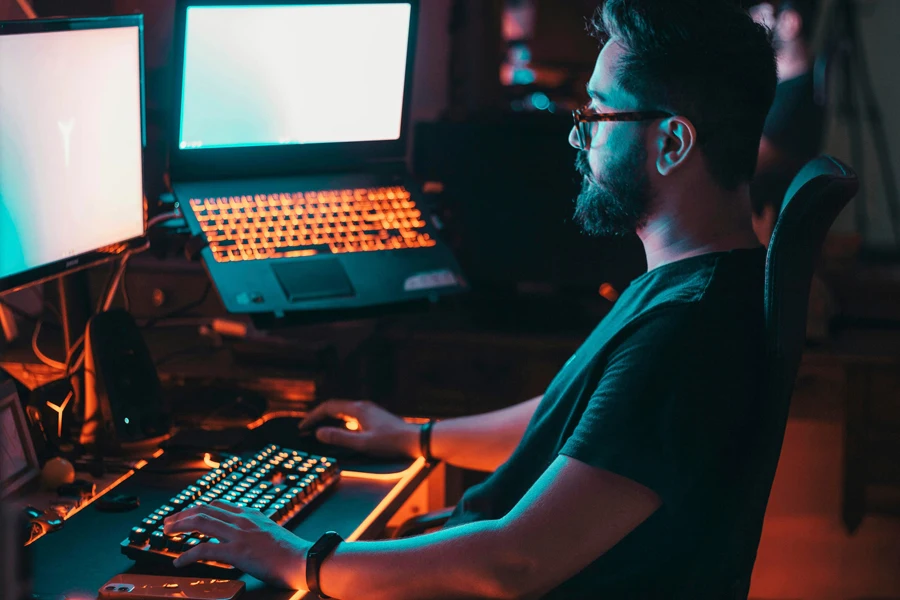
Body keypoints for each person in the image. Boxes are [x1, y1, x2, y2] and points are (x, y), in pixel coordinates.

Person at [164, 1, 778, 597]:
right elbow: (579, 426)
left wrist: (299, 561)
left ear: (672, 143)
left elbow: (513, 563)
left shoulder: (688, 331)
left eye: (596, 115)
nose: (576, 139)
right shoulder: (696, 285)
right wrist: (418, 435)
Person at [749, 0, 825, 246]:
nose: (756, 18)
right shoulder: (783, 85)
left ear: (791, 22)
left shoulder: (797, 96)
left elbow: (751, 161)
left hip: (764, 223)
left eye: (767, 13)